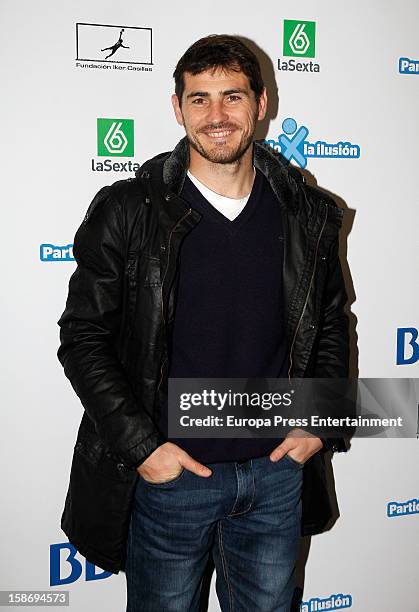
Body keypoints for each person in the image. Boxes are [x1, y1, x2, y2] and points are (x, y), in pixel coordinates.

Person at [57, 34, 350, 612]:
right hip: (171, 480)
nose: (217, 116)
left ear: (261, 103)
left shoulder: (309, 215)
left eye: (232, 97)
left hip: (274, 479)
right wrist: (145, 449)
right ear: (177, 107)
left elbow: (333, 326)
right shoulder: (128, 210)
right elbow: (83, 337)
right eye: (199, 99)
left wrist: (318, 425)